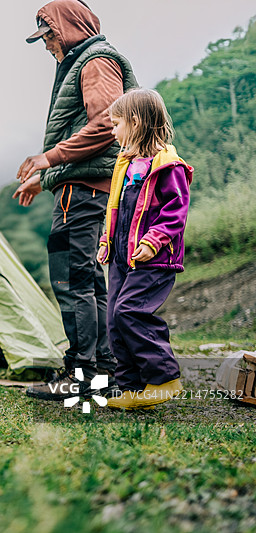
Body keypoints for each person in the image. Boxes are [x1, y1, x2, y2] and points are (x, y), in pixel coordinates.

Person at [13, 0, 138, 400]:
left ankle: (83, 375)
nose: (47, 45)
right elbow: (87, 128)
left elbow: (107, 122)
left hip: (83, 190)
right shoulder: (85, 63)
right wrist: (45, 178)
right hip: (82, 185)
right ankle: (102, 371)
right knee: (86, 279)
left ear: (68, 27)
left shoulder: (96, 61)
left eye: (48, 35)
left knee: (72, 278)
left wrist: (47, 159)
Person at [98, 88, 192, 409]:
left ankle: (165, 377)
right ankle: (133, 389)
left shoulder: (168, 165)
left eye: (116, 123)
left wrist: (154, 241)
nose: (113, 131)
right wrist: (105, 240)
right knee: (114, 319)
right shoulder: (125, 165)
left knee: (130, 311)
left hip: (154, 260)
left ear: (135, 122)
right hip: (121, 258)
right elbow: (115, 207)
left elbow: (175, 211)